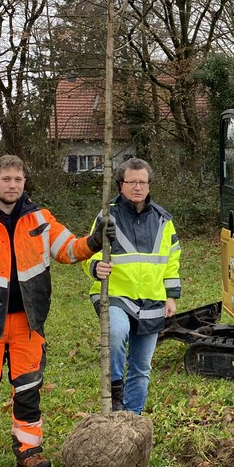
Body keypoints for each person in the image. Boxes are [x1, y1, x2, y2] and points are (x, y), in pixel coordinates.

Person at [0, 154, 114, 467]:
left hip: (28, 324)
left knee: (29, 390)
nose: (12, 185)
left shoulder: (40, 219)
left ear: (24, 183)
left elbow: (69, 249)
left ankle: (29, 449)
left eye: (18, 180)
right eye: (6, 179)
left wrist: (94, 242)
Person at [84, 158, 181, 414]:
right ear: (120, 185)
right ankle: (115, 390)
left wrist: (171, 297)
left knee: (141, 367)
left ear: (149, 185)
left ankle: (132, 418)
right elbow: (91, 251)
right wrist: (95, 267)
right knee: (116, 333)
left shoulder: (164, 220)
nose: (137, 187)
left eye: (142, 182)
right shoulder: (108, 216)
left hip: (151, 300)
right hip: (116, 295)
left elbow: (171, 261)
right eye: (131, 182)